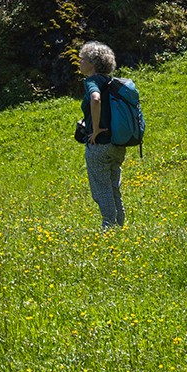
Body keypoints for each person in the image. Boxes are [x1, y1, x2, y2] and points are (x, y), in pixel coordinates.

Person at [78, 40, 126, 230]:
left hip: (100, 145)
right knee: (114, 188)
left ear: (93, 63)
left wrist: (96, 129)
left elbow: (95, 99)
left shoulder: (92, 81)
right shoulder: (111, 82)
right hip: (117, 145)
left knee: (101, 189)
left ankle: (108, 227)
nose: (80, 62)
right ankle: (120, 227)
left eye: (83, 59)